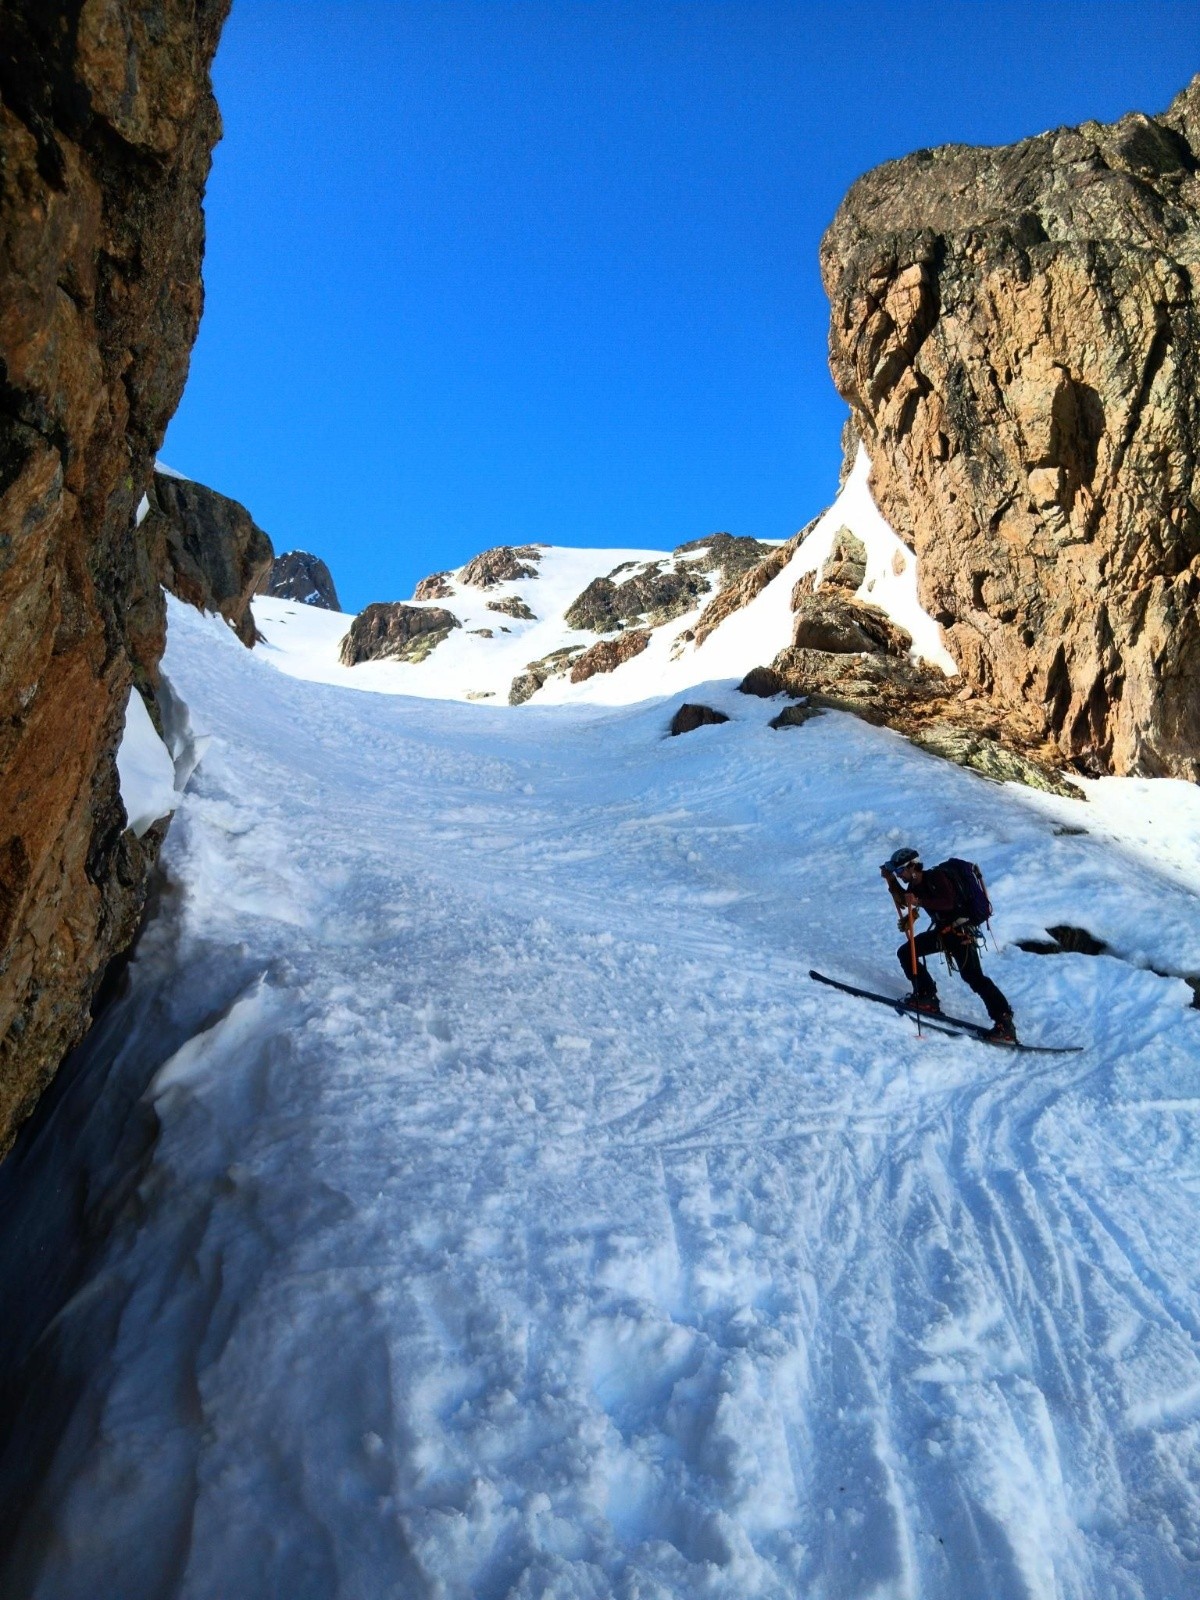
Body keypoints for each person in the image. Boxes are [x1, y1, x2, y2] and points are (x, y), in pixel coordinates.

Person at [880, 847, 1016, 1043]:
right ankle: (926, 996)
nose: (900, 875)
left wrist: (918, 901)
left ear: (913, 867)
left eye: (900, 871)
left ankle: (1005, 1023)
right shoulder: (914, 886)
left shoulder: (936, 877)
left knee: (974, 977)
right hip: (944, 934)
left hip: (960, 934)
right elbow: (904, 900)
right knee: (907, 952)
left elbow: (948, 902)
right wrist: (890, 880)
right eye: (897, 872)